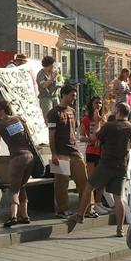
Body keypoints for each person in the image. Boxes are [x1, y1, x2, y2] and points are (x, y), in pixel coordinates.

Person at [75, 102, 131, 236]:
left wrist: (97, 122)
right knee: (119, 197)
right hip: (121, 166)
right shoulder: (130, 127)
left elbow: (94, 137)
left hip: (106, 163)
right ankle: (120, 229)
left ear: (117, 111)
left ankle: (80, 215)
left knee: (89, 187)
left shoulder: (109, 126)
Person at [0, 101, 34, 227]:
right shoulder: (19, 119)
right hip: (30, 156)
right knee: (22, 186)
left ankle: (13, 216)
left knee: (14, 188)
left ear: (3, 111)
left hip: (17, 158)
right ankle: (24, 215)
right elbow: (30, 135)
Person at [47, 85, 89, 219]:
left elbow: (74, 132)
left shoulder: (72, 111)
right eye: (72, 95)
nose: (74, 98)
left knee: (84, 181)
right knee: (61, 183)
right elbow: (51, 135)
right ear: (63, 95)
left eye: (75, 96)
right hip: (60, 153)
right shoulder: (53, 113)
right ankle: (62, 209)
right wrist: (53, 154)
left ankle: (87, 208)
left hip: (74, 151)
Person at [80, 95, 108, 216]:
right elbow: (81, 137)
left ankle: (98, 202)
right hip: (91, 151)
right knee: (92, 179)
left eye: (100, 103)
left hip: (102, 151)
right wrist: (90, 140)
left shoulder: (103, 119)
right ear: (91, 104)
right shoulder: (86, 119)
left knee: (102, 179)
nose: (98, 105)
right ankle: (90, 205)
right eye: (96, 103)